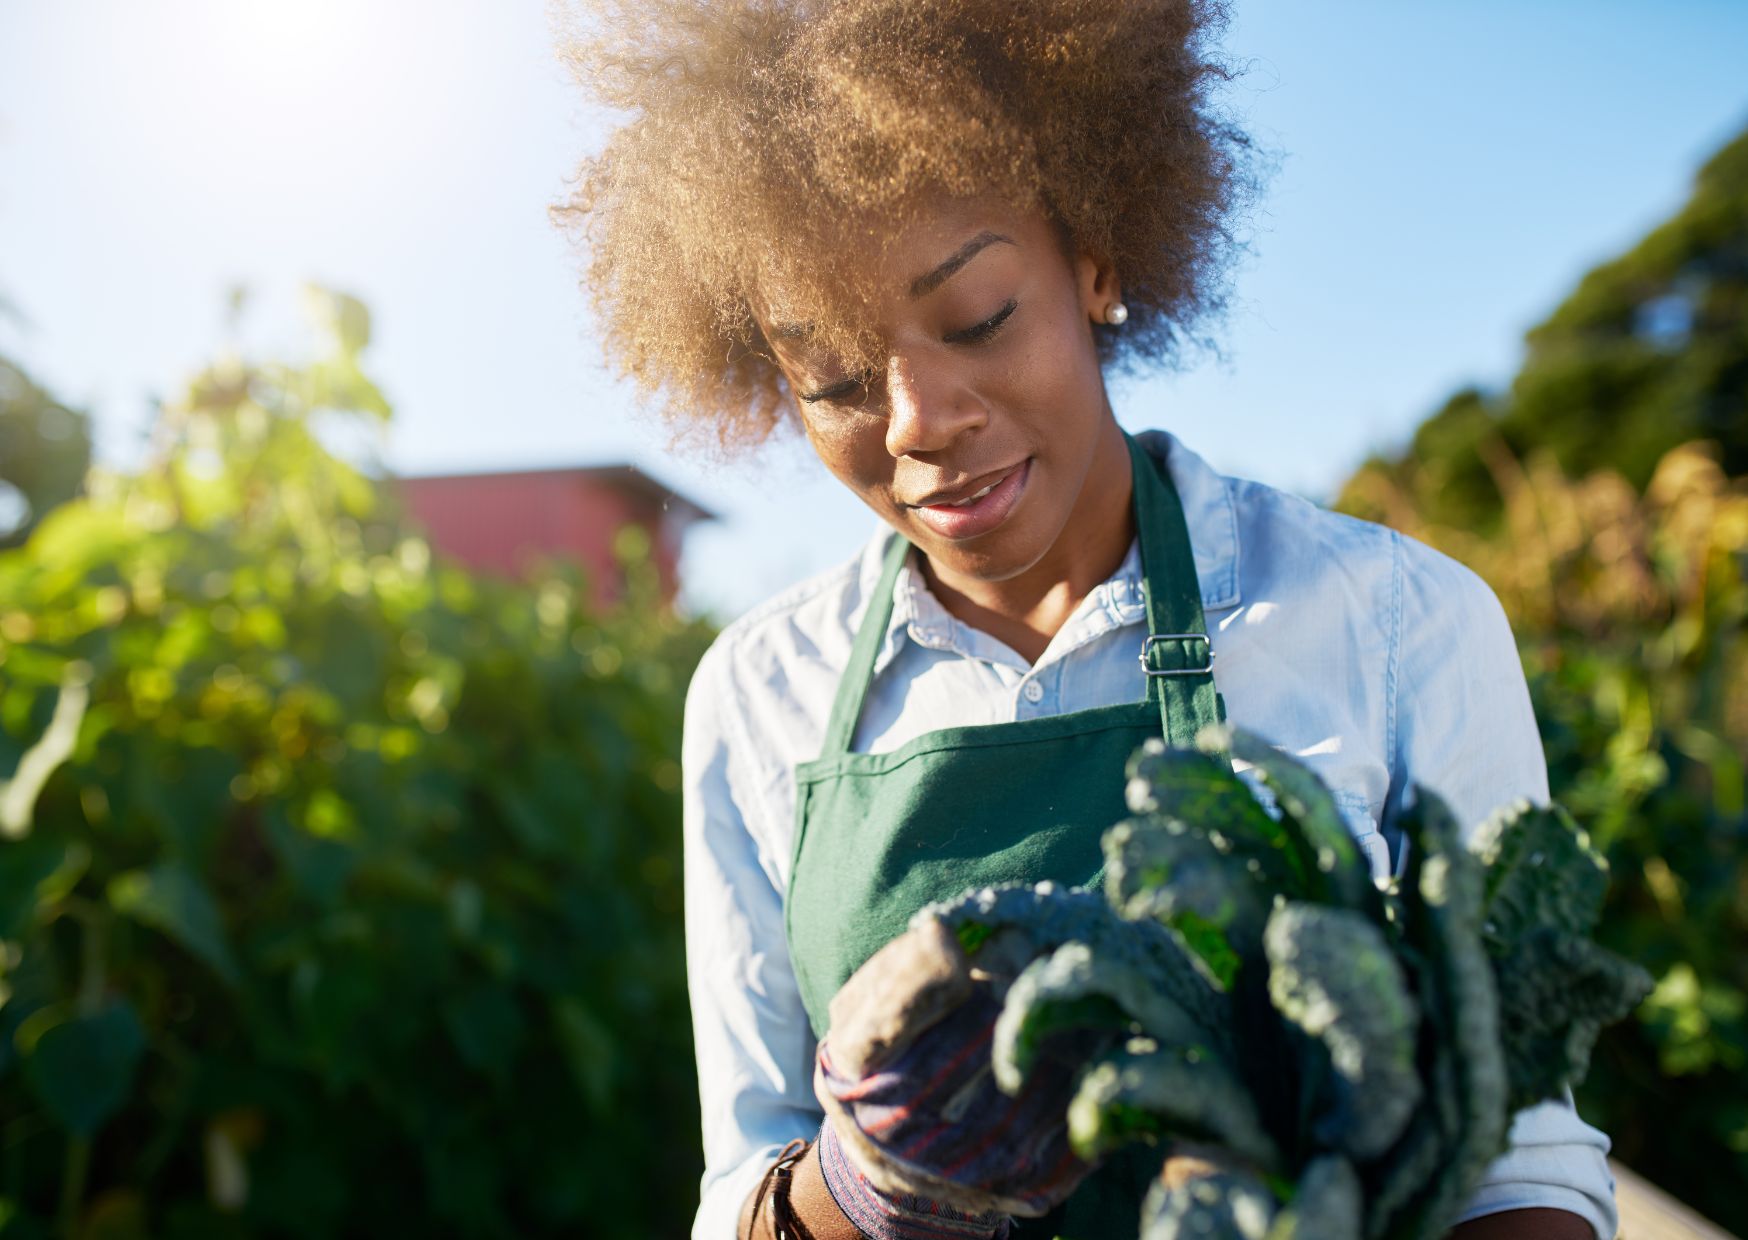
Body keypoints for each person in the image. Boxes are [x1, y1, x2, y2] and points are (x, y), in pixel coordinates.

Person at [556, 2, 1620, 1237]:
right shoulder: (755, 692)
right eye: (835, 378)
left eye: (977, 319)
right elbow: (741, 1188)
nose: (912, 418)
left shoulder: (1392, 623)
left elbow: (1523, 1162)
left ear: (1096, 260)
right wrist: (875, 1181)